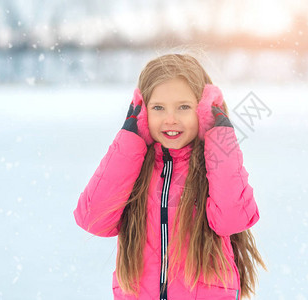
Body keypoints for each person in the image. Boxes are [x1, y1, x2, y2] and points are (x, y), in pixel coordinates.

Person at [73, 53, 265, 300]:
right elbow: (93, 218)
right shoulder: (135, 169)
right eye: (158, 108)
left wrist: (218, 136)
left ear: (204, 110)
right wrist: (131, 138)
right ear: (142, 112)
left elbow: (232, 219)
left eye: (184, 107)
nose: (170, 119)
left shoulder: (214, 167)